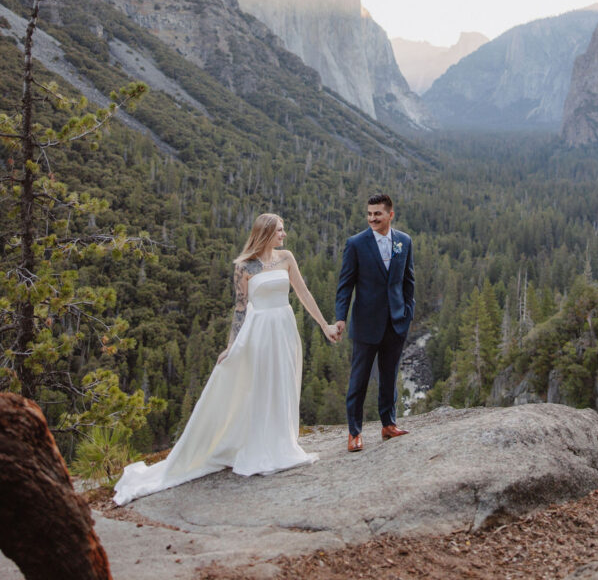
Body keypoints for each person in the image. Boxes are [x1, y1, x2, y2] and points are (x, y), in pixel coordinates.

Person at [113, 213, 338, 505]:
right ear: (266, 233)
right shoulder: (244, 266)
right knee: (259, 387)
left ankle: (282, 443)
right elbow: (240, 309)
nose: (284, 234)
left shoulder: (286, 258)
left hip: (284, 328)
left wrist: (325, 326)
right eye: (280, 230)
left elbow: (304, 293)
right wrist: (231, 346)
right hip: (259, 333)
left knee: (283, 381)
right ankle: (258, 446)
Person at [334, 193, 415, 452]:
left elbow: (408, 282)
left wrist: (407, 312)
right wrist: (340, 318)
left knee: (389, 376)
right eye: (369, 214)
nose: (372, 218)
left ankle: (388, 424)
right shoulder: (356, 244)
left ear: (390, 214)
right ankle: (354, 432)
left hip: (396, 322)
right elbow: (345, 285)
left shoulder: (404, 241)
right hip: (366, 323)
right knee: (359, 380)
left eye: (377, 214)